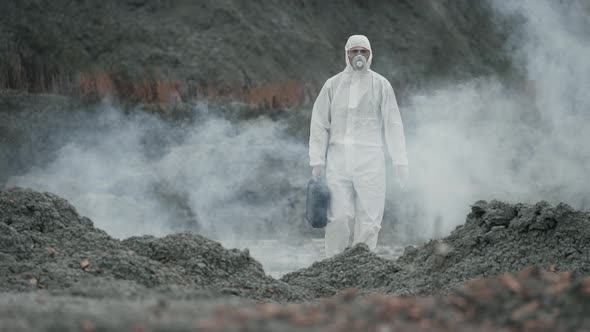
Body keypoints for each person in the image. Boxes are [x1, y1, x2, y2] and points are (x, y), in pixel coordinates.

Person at [309, 35, 409, 258]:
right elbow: (319, 123)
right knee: (339, 216)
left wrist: (400, 161)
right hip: (338, 158)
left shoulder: (381, 85)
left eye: (363, 51)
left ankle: (362, 267)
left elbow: (393, 125)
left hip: (370, 158)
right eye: (354, 51)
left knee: (370, 218)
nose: (359, 56)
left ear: (370, 54)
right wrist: (317, 161)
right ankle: (333, 263)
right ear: (346, 54)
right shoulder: (332, 85)